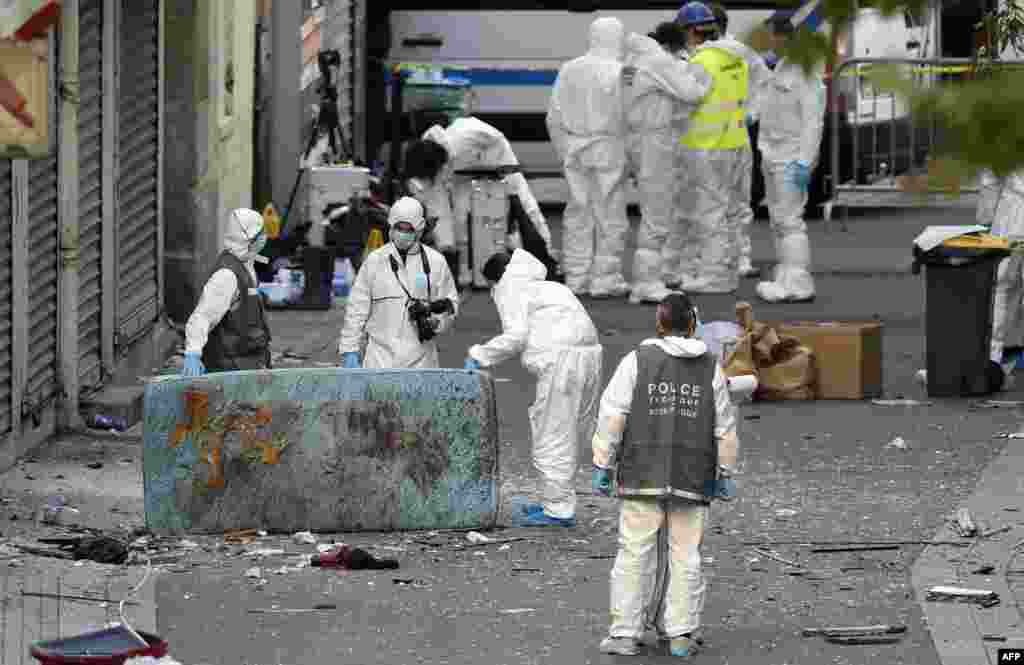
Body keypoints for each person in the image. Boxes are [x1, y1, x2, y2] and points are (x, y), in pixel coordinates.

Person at [592, 292, 738, 657]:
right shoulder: (710, 367)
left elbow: (614, 416)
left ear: (659, 323)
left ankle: (625, 633)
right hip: (693, 473)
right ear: (693, 325)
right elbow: (724, 427)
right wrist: (725, 471)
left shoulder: (637, 361)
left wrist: (603, 462)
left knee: (634, 553)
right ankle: (680, 633)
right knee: (686, 554)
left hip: (642, 470)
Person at [464, 249, 603, 526]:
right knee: (573, 431)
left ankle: (558, 510)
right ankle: (557, 499)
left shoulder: (509, 288)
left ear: (495, 280)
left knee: (552, 434)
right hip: (591, 357)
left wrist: (480, 356)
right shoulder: (551, 286)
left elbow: (516, 336)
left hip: (562, 362)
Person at [404, 117, 554, 288]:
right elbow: (439, 208)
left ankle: (545, 256)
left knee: (524, 205)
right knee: (461, 215)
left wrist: (495, 171)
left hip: (495, 156)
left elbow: (496, 138)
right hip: (462, 170)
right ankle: (465, 269)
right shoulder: (429, 162)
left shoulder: (464, 138)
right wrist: (446, 247)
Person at [672, 2, 758, 294]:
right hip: (735, 141)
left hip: (709, 145)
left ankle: (714, 276)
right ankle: (728, 269)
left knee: (711, 212)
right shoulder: (735, 58)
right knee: (730, 210)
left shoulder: (702, 62)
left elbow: (688, 100)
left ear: (690, 31)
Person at [623, 23, 712, 304]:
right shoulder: (658, 61)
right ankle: (647, 282)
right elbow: (692, 93)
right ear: (674, 45)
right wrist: (704, 77)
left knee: (653, 207)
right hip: (654, 141)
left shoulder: (633, 60)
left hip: (638, 139)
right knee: (657, 211)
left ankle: (649, 277)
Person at [546, 16, 631, 298]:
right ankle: (605, 279)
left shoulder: (570, 69)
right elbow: (629, 116)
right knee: (611, 216)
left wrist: (565, 150)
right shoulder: (622, 72)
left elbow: (554, 116)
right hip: (610, 148)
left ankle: (577, 276)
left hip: (576, 149)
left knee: (577, 213)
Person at [338, 196, 459, 369]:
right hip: (379, 360)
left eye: (408, 229)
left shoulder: (436, 262)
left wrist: (437, 322)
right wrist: (350, 349)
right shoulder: (375, 261)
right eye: (399, 227)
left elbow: (451, 303)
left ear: (419, 229)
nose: (403, 233)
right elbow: (357, 308)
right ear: (391, 227)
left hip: (421, 361)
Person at [754, 16, 825, 303]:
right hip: (773, 153)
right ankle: (785, 277)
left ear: (784, 38)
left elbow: (812, 120)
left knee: (789, 220)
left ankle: (798, 282)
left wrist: (805, 161)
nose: (768, 44)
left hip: (791, 155)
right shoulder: (782, 67)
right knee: (778, 221)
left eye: (771, 38)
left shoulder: (805, 72)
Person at [709, 2, 771, 279]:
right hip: (726, 135)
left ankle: (733, 258)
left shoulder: (735, 52)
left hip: (720, 137)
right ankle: (730, 258)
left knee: (724, 200)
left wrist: (749, 114)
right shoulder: (737, 52)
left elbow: (762, 84)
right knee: (731, 201)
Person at [182, 209, 272, 376]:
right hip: (231, 367)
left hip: (250, 361)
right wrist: (193, 353)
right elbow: (203, 316)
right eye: (261, 233)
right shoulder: (227, 275)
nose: (264, 236)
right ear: (249, 239)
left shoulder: (245, 261)